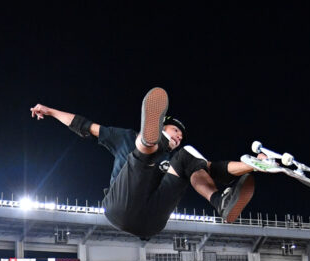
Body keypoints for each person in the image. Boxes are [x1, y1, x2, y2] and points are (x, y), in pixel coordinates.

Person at [30, 87, 268, 240]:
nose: (178, 137)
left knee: (189, 157)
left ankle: (220, 201)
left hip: (152, 222)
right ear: (163, 126)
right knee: (141, 151)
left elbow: (215, 169)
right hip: (120, 206)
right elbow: (85, 126)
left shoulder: (179, 157)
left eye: (181, 135)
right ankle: (146, 140)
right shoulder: (123, 137)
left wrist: (253, 165)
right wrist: (50, 111)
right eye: (175, 131)